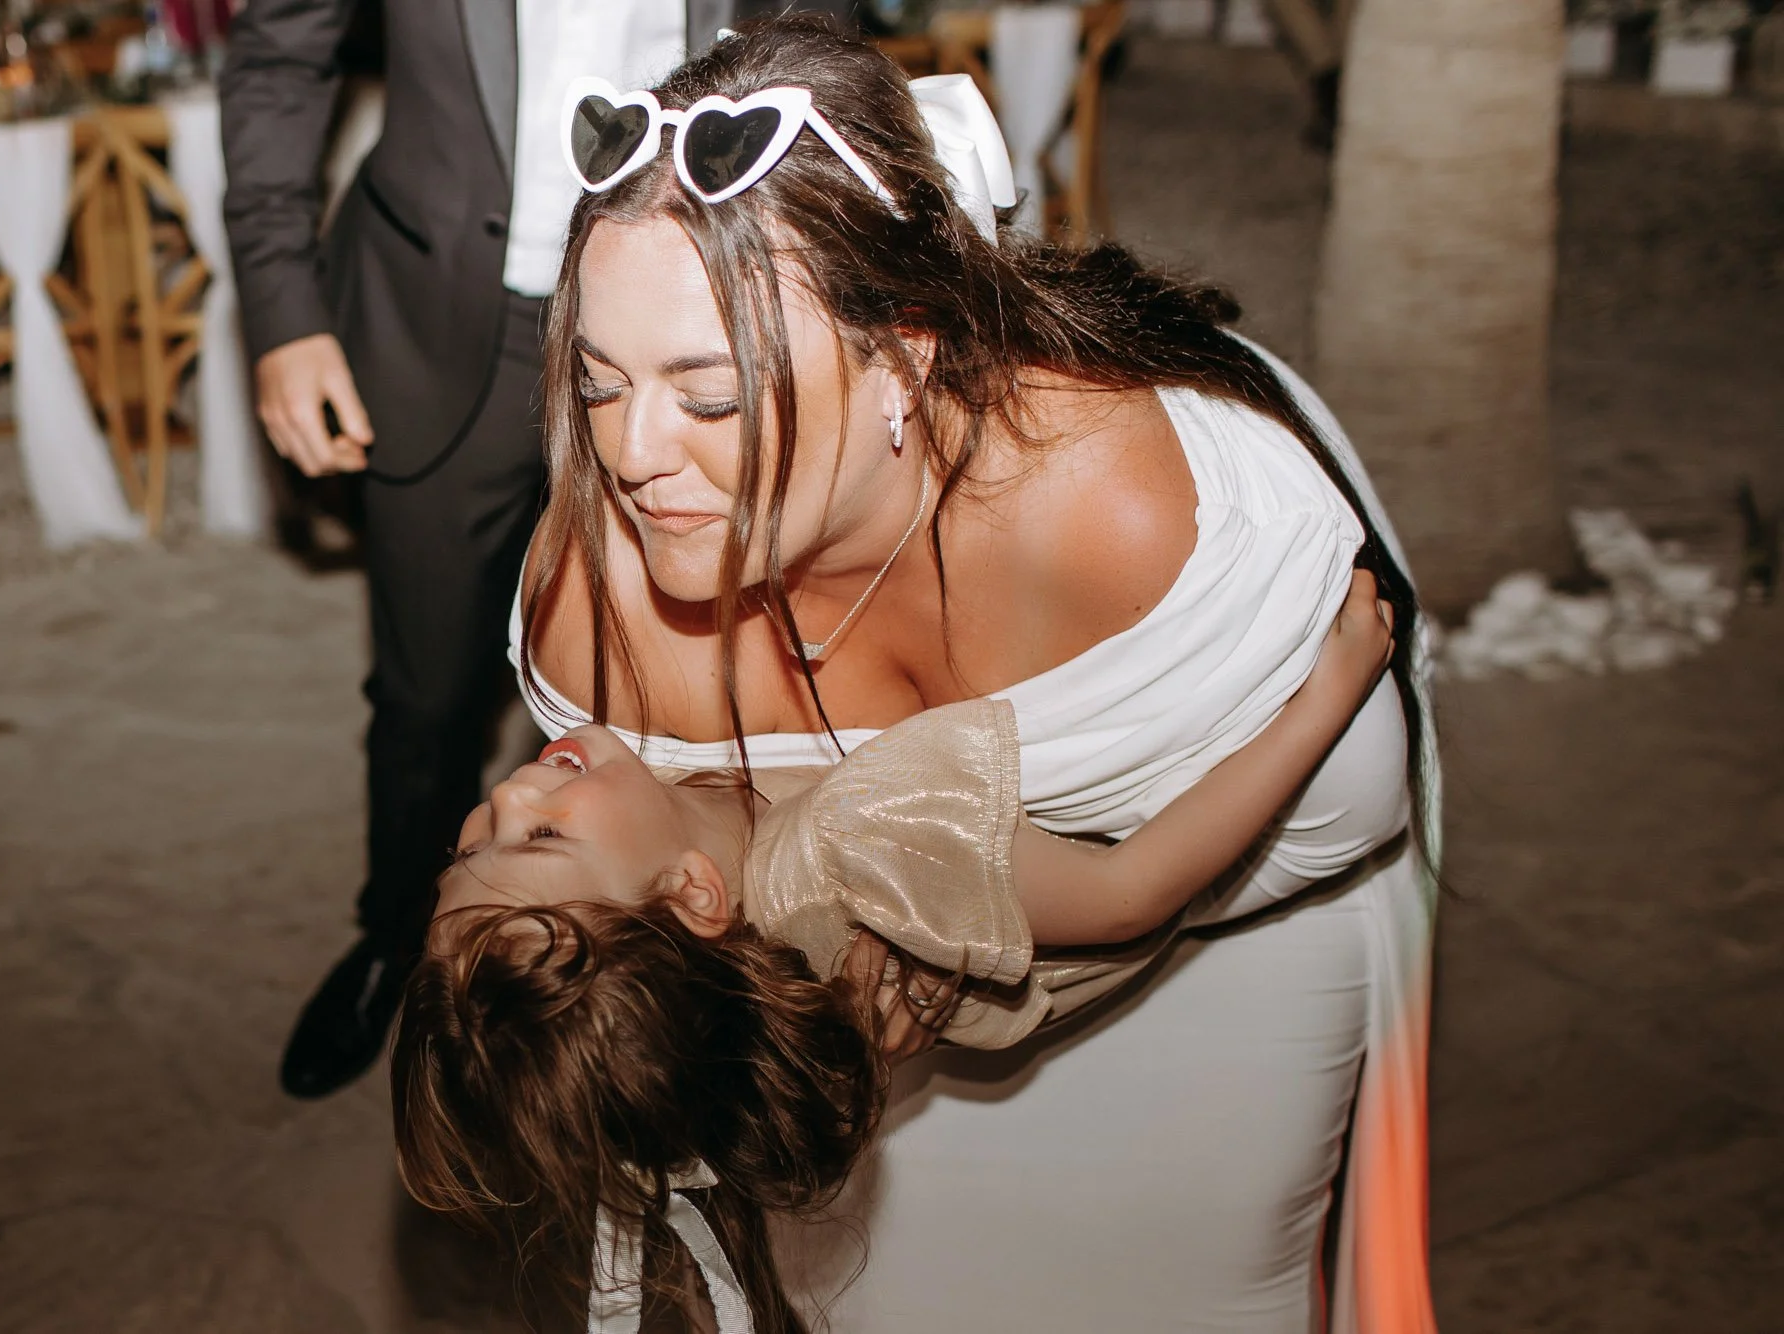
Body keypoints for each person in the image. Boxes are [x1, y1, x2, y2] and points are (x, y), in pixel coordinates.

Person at [476, 19, 1440, 1331]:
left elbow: (1348, 815)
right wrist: (826, 962)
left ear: (905, 355)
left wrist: (989, 916)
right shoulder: (600, 599)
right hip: (884, 1064)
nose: (634, 452)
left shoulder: (1120, 527)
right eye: (597, 383)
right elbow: (661, 898)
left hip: (1239, 935)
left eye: (709, 398)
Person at [391, 573, 1394, 1329]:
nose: (504, 796)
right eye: (539, 837)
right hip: (1206, 872)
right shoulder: (867, 833)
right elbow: (1133, 892)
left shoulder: (670, 876)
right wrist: (1330, 687)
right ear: (691, 892)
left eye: (469, 845)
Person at [219, 0, 852, 1099]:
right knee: (424, 686)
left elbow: (818, 44)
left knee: (703, 659)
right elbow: (278, 50)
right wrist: (283, 311)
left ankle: (663, 956)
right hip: (434, 311)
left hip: (692, 319)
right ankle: (398, 932)